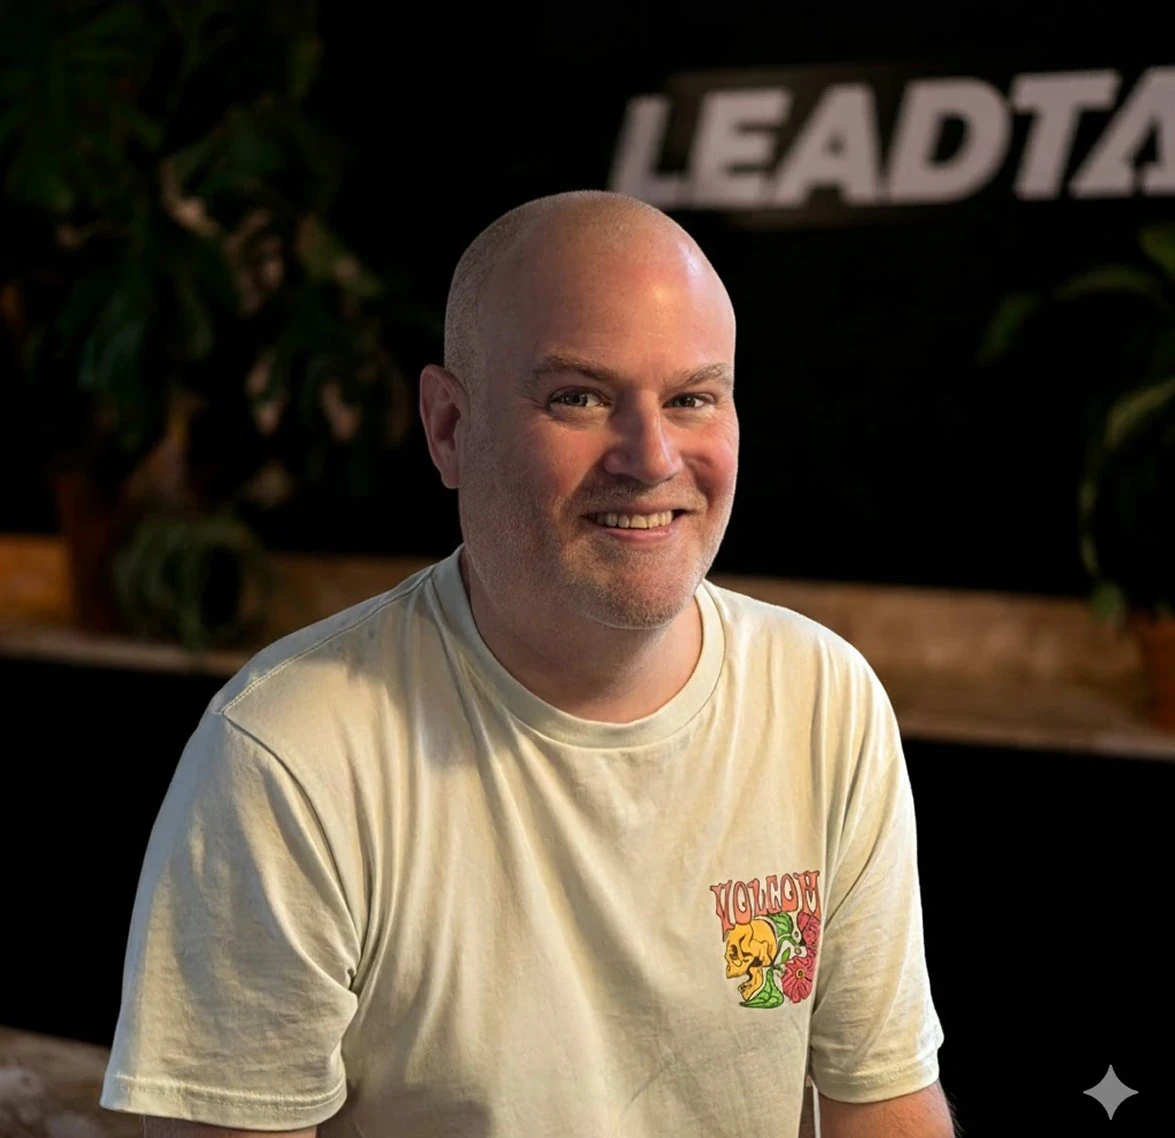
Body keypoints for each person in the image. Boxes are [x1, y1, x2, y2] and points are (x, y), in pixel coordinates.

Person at [100, 190, 955, 1137]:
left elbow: (885, 1108)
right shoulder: (290, 754)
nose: (650, 457)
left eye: (691, 398)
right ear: (448, 427)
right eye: (578, 397)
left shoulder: (824, 701)